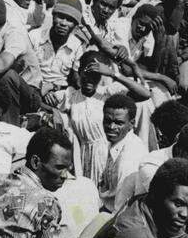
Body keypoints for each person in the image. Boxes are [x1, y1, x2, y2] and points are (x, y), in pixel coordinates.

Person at [46, 52, 151, 184]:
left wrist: (113, 74)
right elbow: (43, 98)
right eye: (86, 73)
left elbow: (145, 94)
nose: (90, 79)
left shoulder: (108, 92)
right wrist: (49, 90)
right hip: (82, 157)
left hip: (109, 154)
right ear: (79, 72)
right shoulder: (70, 95)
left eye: (95, 75)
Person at [30, 0, 87, 93]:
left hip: (59, 93)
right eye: (60, 17)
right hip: (32, 87)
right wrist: (42, 89)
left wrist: (54, 88)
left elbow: (75, 80)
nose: (63, 23)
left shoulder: (78, 46)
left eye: (69, 20)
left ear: (75, 25)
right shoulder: (35, 36)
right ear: (53, 16)